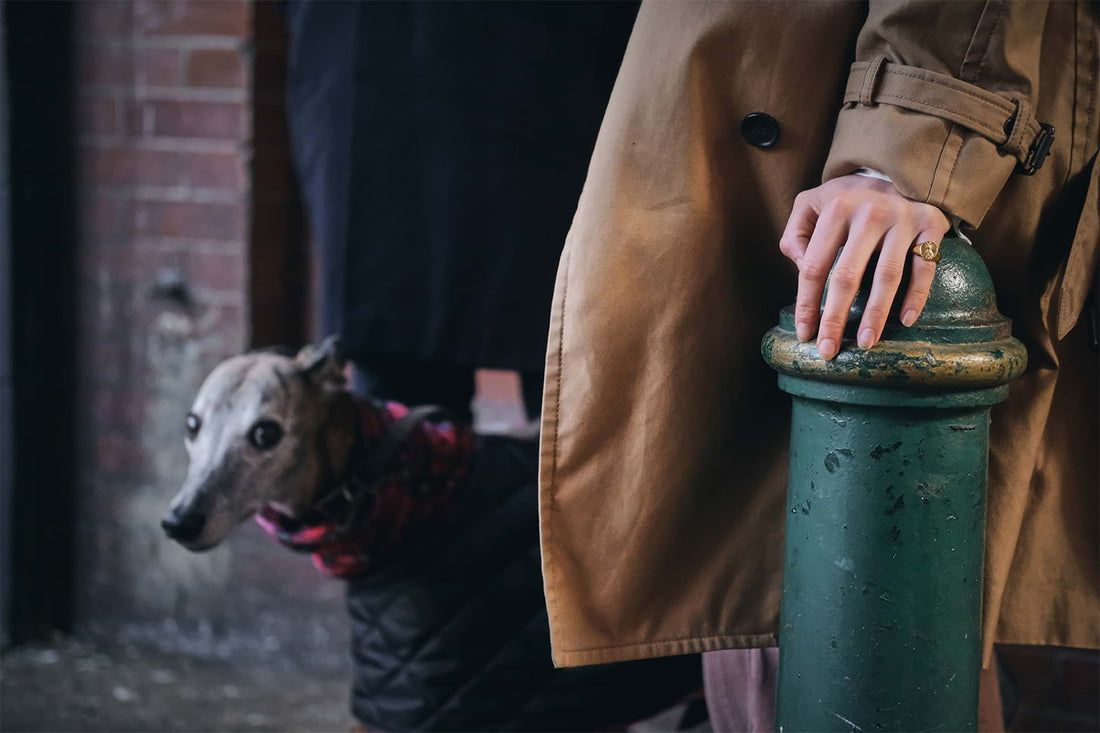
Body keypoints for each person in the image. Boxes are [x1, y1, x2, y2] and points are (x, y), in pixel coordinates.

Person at [536, 2, 1098, 729]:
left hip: (840, 156)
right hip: (767, 138)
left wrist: (909, 149)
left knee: (833, 611)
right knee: (767, 609)